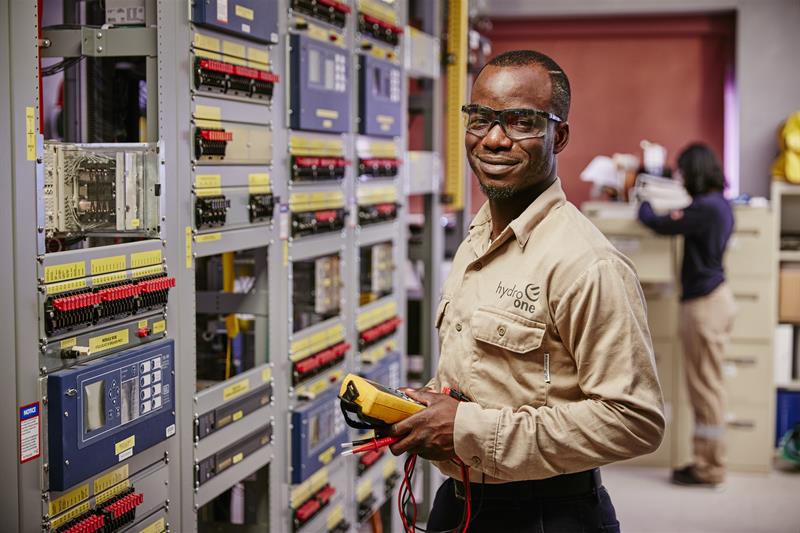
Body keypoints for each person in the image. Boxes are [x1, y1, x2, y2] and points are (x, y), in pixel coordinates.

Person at [387, 50, 665, 532]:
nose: (494, 139)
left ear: (558, 135)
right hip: (458, 504)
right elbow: (490, 376)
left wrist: (467, 428)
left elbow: (634, 420)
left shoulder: (588, 263)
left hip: (546, 513)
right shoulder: (477, 239)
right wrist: (427, 407)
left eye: (521, 122)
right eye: (481, 119)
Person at [638, 143, 736, 487]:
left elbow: (658, 224)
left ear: (695, 171)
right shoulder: (716, 204)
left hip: (704, 306)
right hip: (714, 300)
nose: (679, 177)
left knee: (706, 389)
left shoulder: (706, 208)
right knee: (706, 387)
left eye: (681, 171)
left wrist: (644, 202)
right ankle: (706, 461)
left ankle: (710, 468)